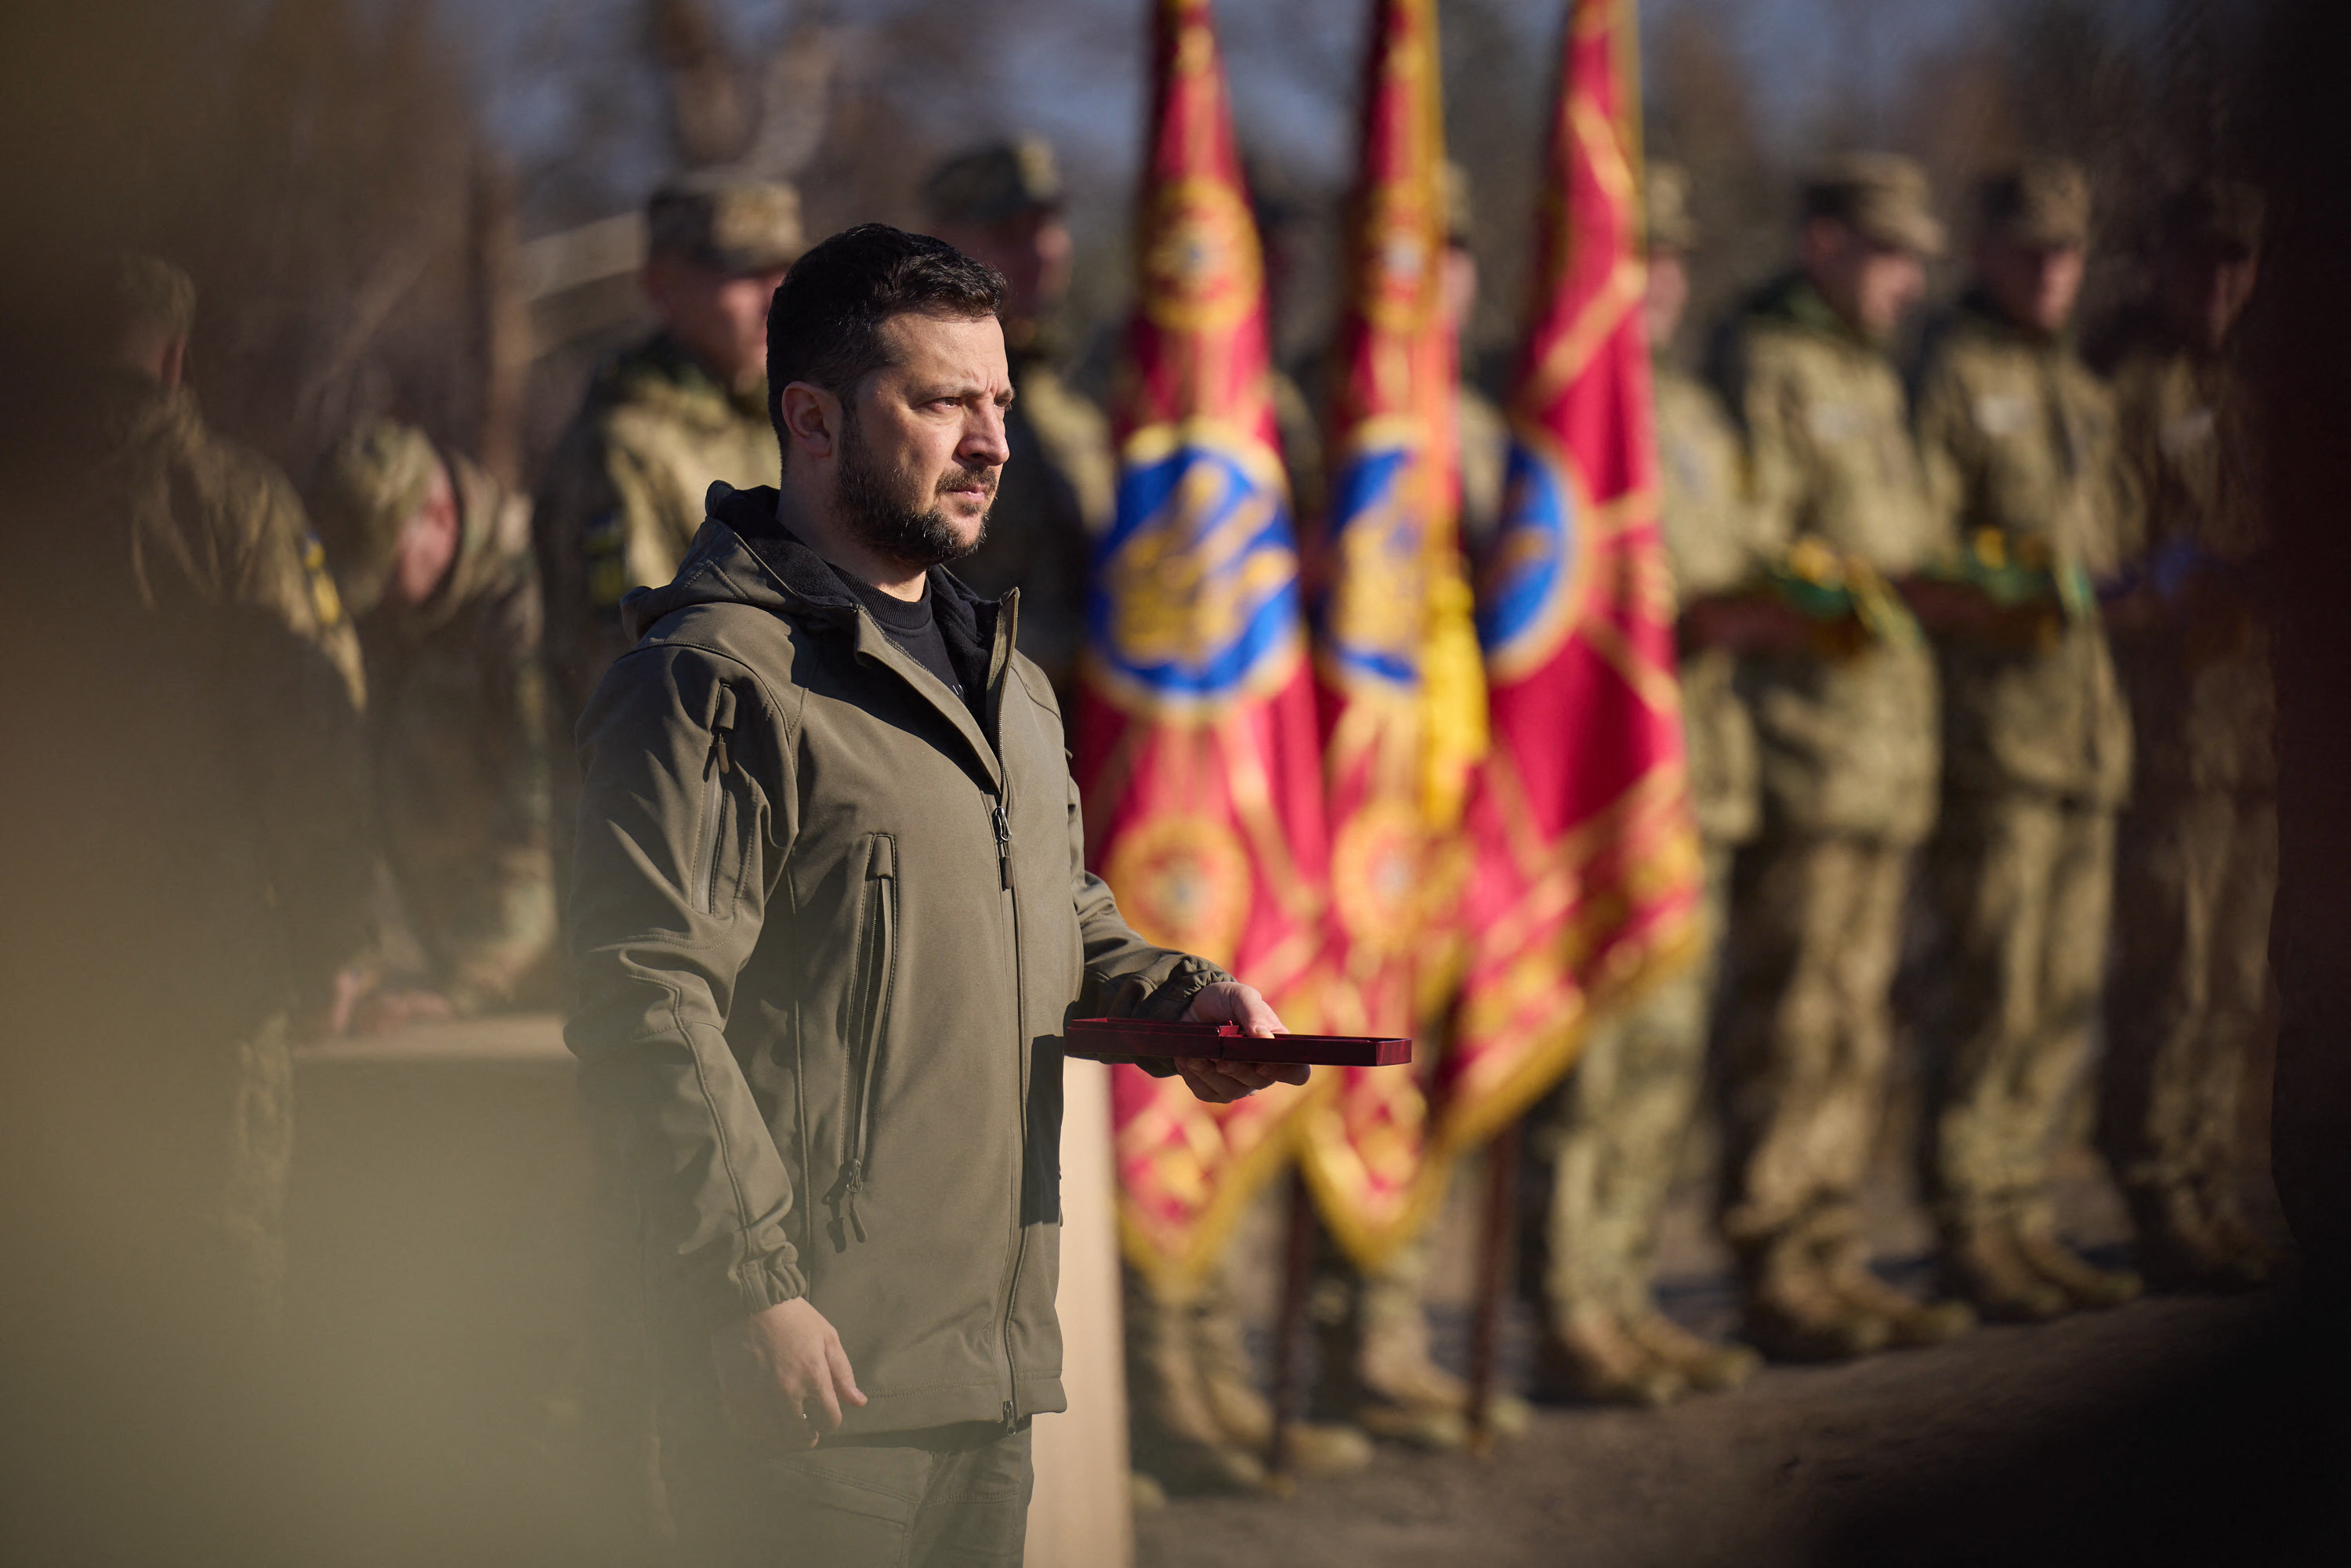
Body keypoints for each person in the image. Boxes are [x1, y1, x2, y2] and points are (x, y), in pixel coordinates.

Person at [564, 223, 1305, 1566]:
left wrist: (1183, 1002)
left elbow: (1055, 916)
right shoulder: (714, 678)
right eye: (945, 402)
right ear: (815, 420)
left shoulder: (1007, 684)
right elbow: (646, 998)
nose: (993, 442)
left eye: (1001, 402)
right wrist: (749, 1293)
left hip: (988, 1376)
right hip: (815, 1388)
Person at [0, 253, 373, 1562]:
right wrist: (336, 934)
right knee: (213, 1285)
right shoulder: (231, 501)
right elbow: (309, 731)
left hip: (37, 968)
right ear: (173, 352)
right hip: (204, 973)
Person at [1708, 154, 1976, 1362]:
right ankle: (1778, 1262)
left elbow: (1908, 540)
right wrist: (1828, 591)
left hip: (1886, 754)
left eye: (1918, 259)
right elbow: (1747, 545)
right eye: (1890, 253)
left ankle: (1831, 1249)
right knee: (1797, 1018)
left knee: (1859, 1023)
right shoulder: (1764, 360)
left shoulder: (1874, 373)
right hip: (1807, 751)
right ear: (1824, 244)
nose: (1910, 281)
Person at [1532, 162, 1772, 1404]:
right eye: (1639, 258)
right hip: (1596, 795)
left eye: (1673, 259)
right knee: (1594, 1064)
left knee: (1666, 1058)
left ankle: (1623, 1289)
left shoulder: (1697, 413)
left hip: (1699, 776)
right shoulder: (1557, 405)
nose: (1660, 281)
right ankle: (1569, 1304)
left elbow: (1745, 555)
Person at [1908, 159, 2143, 1321]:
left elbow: (2119, 553)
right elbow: (1915, 550)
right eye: (2032, 250)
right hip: (1994, 738)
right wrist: (2017, 582)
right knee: (1991, 988)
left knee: (2059, 992)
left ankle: (2022, 1209)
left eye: (2070, 251)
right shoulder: (1950, 373)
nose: (2053, 271)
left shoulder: (2084, 392)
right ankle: (1970, 1220)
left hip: (2084, 735)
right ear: (1986, 251)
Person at [2089, 177, 2274, 1293]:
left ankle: (2209, 1176)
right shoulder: (2127, 384)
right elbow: (2104, 568)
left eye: (2237, 263)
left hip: (2260, 734)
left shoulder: (2252, 380)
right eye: (2201, 260)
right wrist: (2176, 584)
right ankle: (2159, 1190)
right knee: (2173, 970)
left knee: (2234, 978)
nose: (2219, 284)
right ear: (2157, 259)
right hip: (2169, 731)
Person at [536, 168, 804, 736]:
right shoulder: (622, 449)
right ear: (661, 285)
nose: (774, 298)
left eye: (784, 271)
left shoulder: (792, 419)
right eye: (742, 272)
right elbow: (637, 673)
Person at [310, 418, 557, 1026]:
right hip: (440, 956)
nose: (374, 598)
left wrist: (469, 983)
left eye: (385, 567)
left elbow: (545, 808)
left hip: (539, 981)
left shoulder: (531, 606)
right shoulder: (405, 612)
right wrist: (349, 954)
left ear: (442, 517)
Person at [922, 135, 1114, 702]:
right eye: (1009, 233)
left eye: (1048, 227)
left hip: (1087, 715)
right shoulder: (912, 390)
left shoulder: (1077, 392)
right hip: (967, 709)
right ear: (943, 242)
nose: (1040, 252)